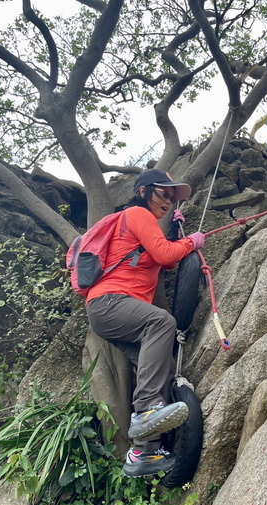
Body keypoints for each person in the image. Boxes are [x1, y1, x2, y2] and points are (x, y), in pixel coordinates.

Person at [85, 169, 205, 477]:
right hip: (110, 302)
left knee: (161, 369)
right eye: (163, 193)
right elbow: (165, 255)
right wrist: (193, 241)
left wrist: (179, 234)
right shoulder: (137, 214)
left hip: (111, 312)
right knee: (161, 323)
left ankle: (143, 452)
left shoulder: (141, 224)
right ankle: (147, 410)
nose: (168, 201)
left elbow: (163, 253)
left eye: (172, 197)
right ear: (142, 191)